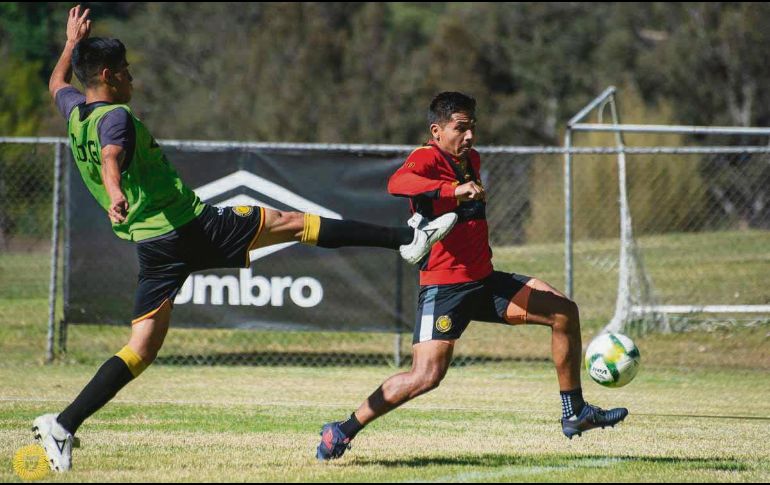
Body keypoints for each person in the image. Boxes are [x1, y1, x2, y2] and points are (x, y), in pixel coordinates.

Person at [33, 6, 457, 473]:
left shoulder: (76, 113)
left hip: (154, 246)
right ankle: (407, 239)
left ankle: (64, 424)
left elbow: (56, 84)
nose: (132, 77)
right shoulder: (115, 117)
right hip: (189, 227)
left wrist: (71, 44)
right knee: (292, 223)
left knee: (140, 348)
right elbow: (113, 156)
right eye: (127, 70)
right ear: (109, 75)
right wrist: (114, 193)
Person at [316, 91, 628, 461]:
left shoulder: (471, 160)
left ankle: (574, 412)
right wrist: (451, 190)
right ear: (437, 130)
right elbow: (397, 184)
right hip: (445, 288)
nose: (469, 136)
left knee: (563, 312)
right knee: (426, 376)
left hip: (485, 281)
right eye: (459, 128)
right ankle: (341, 431)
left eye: (472, 128)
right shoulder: (426, 157)